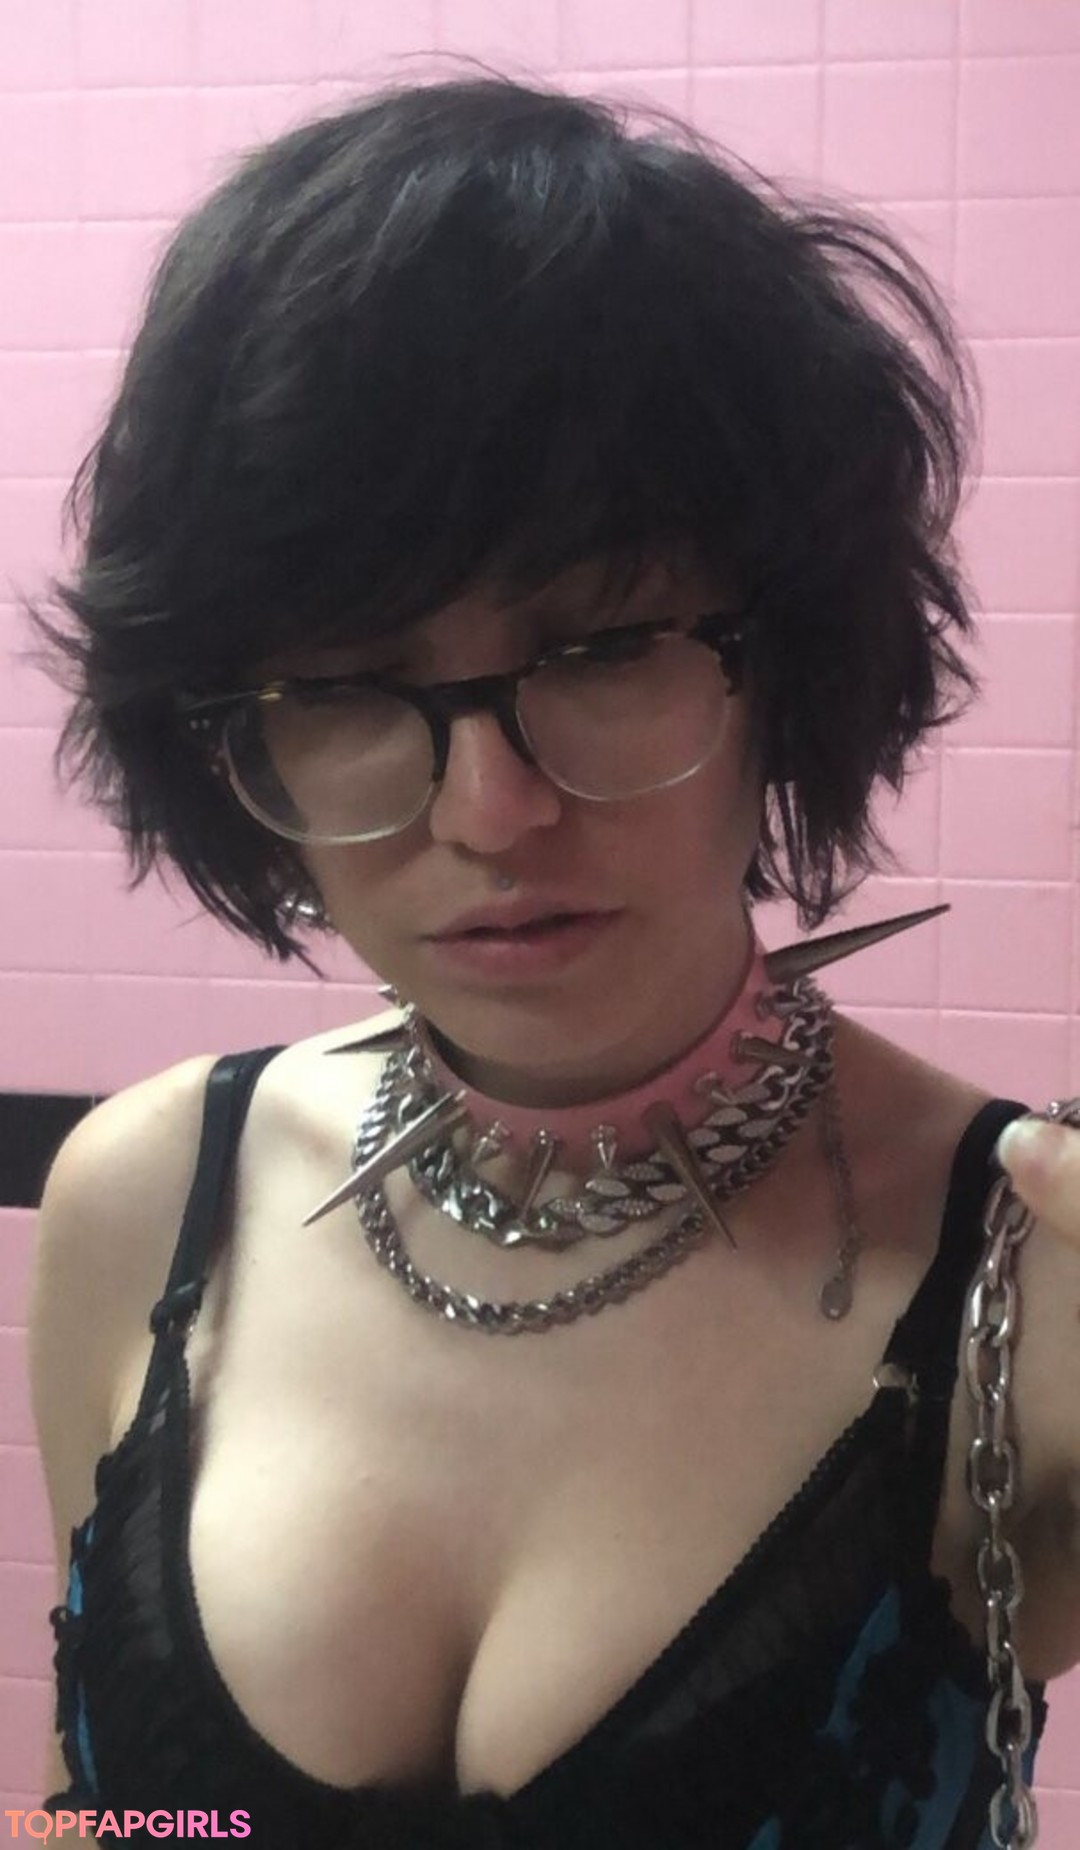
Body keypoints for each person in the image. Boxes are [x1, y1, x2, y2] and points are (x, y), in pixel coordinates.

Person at [26, 74, 1080, 1850]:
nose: (490, 809)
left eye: (601, 647)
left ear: (788, 667)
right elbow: (107, 1817)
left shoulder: (1027, 1280)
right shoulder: (144, 1199)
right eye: (346, 686)